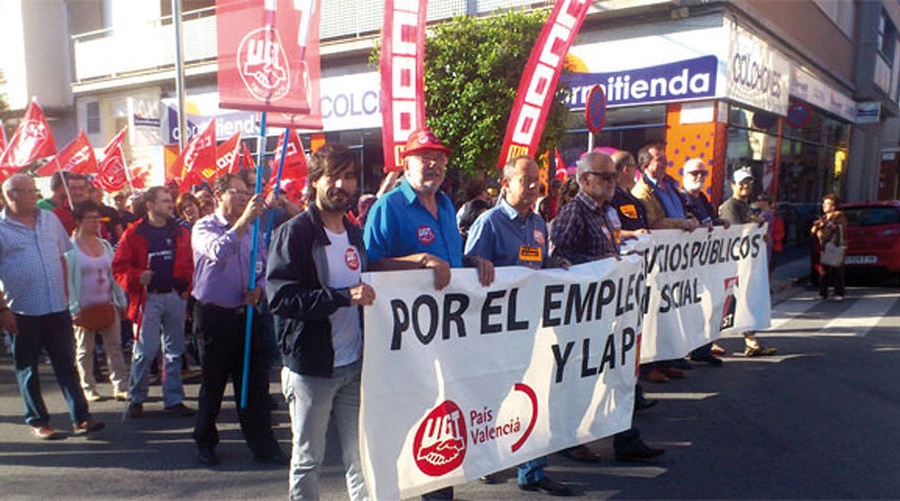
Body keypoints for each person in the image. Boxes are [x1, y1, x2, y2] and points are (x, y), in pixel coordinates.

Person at [364, 127, 493, 501]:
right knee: (408, 420)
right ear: (406, 163)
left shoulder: (447, 205)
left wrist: (473, 261)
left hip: (446, 336)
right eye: (423, 156)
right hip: (407, 341)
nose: (432, 163)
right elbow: (370, 267)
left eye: (438, 156)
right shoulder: (388, 207)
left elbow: (449, 260)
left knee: (442, 417)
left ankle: (438, 490)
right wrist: (417, 260)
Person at [268, 143, 374, 500]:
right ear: (314, 181)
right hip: (312, 368)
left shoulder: (353, 232)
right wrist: (343, 297)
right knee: (308, 459)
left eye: (348, 176)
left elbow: (369, 280)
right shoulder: (295, 232)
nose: (341, 185)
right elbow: (281, 299)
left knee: (359, 456)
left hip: (353, 365)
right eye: (333, 176)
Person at [464, 155, 571, 497]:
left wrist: (556, 263)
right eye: (526, 180)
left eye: (536, 180)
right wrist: (475, 263)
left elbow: (536, 262)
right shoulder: (490, 222)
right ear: (506, 184)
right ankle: (483, 460)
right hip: (495, 332)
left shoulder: (538, 224)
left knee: (533, 394)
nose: (533, 186)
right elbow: (468, 273)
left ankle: (533, 470)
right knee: (492, 399)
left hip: (530, 328)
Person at [550, 151, 664, 464]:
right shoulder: (574, 212)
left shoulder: (605, 212)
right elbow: (560, 258)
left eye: (614, 176)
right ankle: (568, 438)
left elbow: (607, 247)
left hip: (608, 310)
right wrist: (602, 266)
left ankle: (626, 437)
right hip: (583, 315)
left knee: (619, 372)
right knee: (579, 380)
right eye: (606, 177)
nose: (613, 182)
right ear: (585, 179)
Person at [190, 174, 286, 467]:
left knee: (254, 383)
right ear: (219, 195)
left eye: (248, 192)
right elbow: (218, 251)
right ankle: (205, 441)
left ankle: (263, 445)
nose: (245, 197)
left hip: (246, 315)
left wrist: (259, 288)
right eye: (238, 192)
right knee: (214, 383)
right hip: (213, 316)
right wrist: (243, 221)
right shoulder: (204, 226)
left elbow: (263, 268)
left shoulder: (254, 233)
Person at [0, 174, 104, 439]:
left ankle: (81, 418)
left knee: (66, 365)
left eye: (35, 190)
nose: (36, 194)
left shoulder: (50, 220)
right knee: (27, 369)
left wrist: (68, 299)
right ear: (12, 195)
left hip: (56, 307)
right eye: (29, 191)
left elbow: (61, 258)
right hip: (22, 310)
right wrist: (3, 310)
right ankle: (38, 421)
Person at [113, 186, 196, 417]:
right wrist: (136, 278)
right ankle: (136, 396)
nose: (171, 205)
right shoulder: (134, 233)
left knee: (174, 351)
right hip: (147, 298)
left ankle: (174, 399)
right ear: (150, 205)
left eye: (170, 201)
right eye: (165, 201)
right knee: (144, 350)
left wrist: (186, 286)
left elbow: (191, 262)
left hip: (174, 297)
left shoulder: (180, 232)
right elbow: (119, 267)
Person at [631, 144, 696, 380]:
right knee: (655, 312)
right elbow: (654, 222)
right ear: (646, 164)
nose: (665, 163)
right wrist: (682, 225)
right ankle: (650, 365)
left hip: (674, 261)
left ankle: (668, 358)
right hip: (658, 261)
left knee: (671, 310)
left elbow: (679, 212)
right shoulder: (643, 191)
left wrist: (689, 218)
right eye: (660, 160)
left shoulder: (669, 186)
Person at [65, 201, 129, 402]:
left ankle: (120, 385)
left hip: (107, 302)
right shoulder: (71, 249)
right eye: (91, 218)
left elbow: (114, 275)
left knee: (115, 347)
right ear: (78, 222)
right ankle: (88, 387)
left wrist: (120, 300)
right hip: (83, 305)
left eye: (98, 218)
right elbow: (67, 281)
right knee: (85, 350)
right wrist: (73, 307)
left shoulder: (105, 245)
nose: (96, 222)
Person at [719, 168, 778, 356]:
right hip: (732, 263)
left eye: (748, 182)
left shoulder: (747, 206)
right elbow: (736, 233)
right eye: (742, 182)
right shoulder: (730, 206)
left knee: (744, 300)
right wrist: (755, 227)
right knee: (728, 302)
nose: (745, 185)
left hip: (745, 263)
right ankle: (707, 342)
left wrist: (760, 229)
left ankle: (751, 341)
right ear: (733, 185)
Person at [679, 158, 728, 365]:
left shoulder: (703, 199)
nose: (699, 177)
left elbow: (709, 220)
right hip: (685, 265)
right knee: (688, 309)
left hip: (705, 263)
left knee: (709, 305)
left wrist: (720, 222)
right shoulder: (680, 198)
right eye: (694, 173)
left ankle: (702, 348)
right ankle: (683, 350)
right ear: (684, 175)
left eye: (702, 173)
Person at [811, 194, 847, 301]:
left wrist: (830, 224)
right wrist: (816, 225)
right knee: (824, 270)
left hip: (835, 246)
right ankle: (823, 293)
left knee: (837, 269)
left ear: (833, 206)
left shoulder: (839, 216)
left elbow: (840, 228)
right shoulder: (823, 217)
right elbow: (812, 232)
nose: (824, 206)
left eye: (827, 204)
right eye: (824, 203)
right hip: (824, 247)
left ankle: (839, 293)